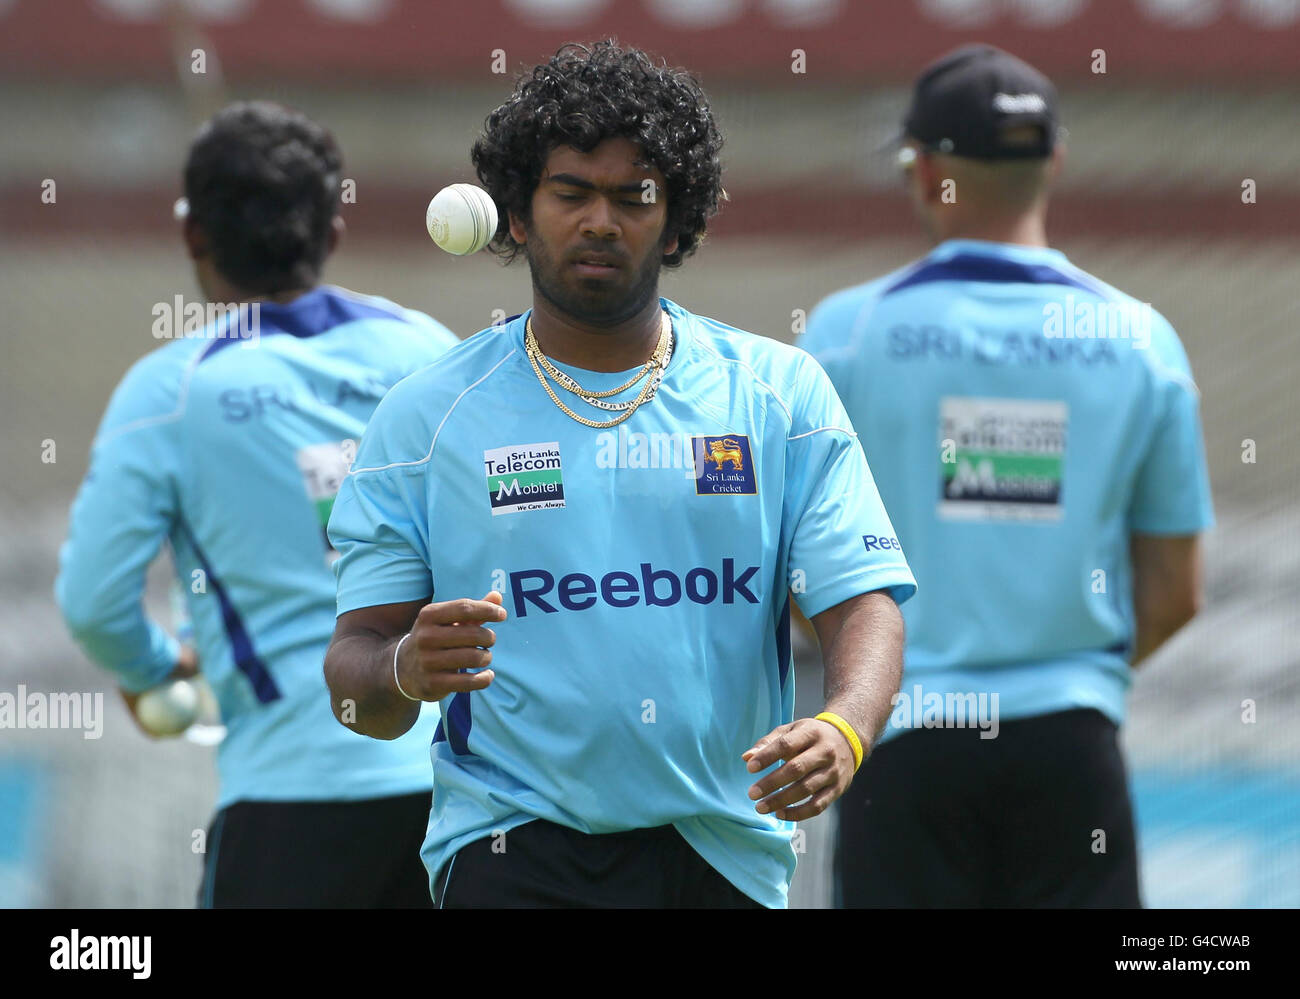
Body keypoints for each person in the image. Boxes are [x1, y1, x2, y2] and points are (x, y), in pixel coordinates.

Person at [323, 40, 917, 909]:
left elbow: (863, 601)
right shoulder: (425, 418)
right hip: (509, 846)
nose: (600, 220)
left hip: (722, 850)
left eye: (634, 196)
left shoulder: (778, 394)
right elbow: (354, 673)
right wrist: (406, 668)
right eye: (570, 192)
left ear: (676, 222)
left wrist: (846, 726)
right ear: (518, 215)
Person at [801, 44, 1214, 907]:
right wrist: (1060, 678)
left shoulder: (844, 336)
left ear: (922, 173)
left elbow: (794, 568)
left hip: (904, 740)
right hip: (1071, 744)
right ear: (1053, 163)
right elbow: (1175, 590)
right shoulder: (1144, 341)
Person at [55, 101, 458, 908]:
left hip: (288, 807)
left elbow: (94, 600)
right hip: (455, 801)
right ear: (331, 231)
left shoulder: (169, 390)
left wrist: (153, 665)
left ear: (193, 236)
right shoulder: (433, 350)